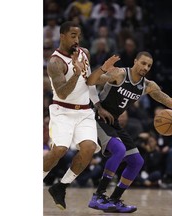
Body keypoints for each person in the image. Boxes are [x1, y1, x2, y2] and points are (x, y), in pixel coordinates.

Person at [86, 51, 172, 213]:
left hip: (114, 121)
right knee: (119, 150)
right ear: (135, 61)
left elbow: (170, 102)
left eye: (149, 65)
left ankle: (114, 199)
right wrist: (103, 69)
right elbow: (90, 82)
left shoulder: (148, 86)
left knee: (136, 161)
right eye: (143, 63)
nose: (145, 67)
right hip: (97, 117)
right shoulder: (120, 74)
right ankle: (98, 196)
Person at [43, 21, 115, 210]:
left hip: (84, 111)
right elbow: (63, 92)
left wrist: (98, 105)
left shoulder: (84, 53)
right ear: (63, 36)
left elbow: (90, 81)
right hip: (63, 111)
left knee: (89, 148)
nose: (77, 39)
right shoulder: (55, 62)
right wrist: (75, 73)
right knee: (60, 150)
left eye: (78, 36)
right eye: (73, 35)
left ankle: (61, 186)